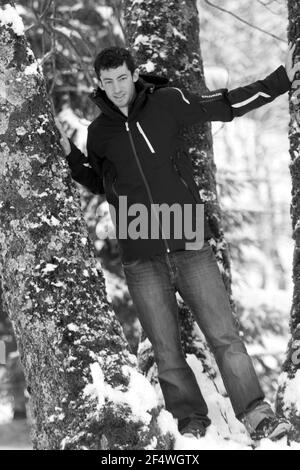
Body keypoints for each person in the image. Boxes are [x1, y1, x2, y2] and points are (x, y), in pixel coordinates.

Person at [56, 45, 299, 441]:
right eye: (107, 81)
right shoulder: (99, 132)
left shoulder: (168, 102)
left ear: (133, 75)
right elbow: (102, 183)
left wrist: (279, 82)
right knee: (166, 349)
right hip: (139, 248)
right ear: (99, 84)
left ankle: (256, 415)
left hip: (187, 236)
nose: (116, 88)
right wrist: (71, 158)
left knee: (224, 336)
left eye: (122, 78)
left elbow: (223, 105)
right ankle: (190, 422)